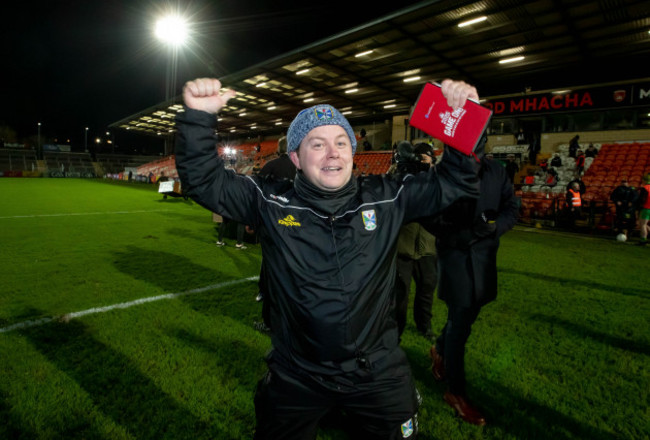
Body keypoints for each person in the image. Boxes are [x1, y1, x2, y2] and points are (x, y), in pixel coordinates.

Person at [175, 77, 482, 439]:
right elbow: (204, 182)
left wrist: (464, 117)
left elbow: (453, 182)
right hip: (297, 374)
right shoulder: (270, 202)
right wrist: (198, 119)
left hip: (377, 372)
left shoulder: (387, 197)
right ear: (296, 158)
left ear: (352, 151)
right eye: (317, 144)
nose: (332, 153)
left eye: (341, 142)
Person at [424, 152, 518, 426]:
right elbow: (427, 216)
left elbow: (511, 206)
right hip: (456, 258)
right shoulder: (441, 172)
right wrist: (462, 235)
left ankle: (439, 349)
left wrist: (495, 228)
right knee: (459, 324)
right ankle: (455, 393)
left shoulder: (496, 170)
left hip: (485, 258)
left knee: (468, 314)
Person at [392, 142, 438, 340]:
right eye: (418, 158)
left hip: (427, 247)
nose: (421, 162)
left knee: (427, 289)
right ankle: (396, 330)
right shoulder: (401, 176)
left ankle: (424, 325)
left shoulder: (435, 179)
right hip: (403, 247)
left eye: (425, 158)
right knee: (400, 295)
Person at [637, 174, 650, 246]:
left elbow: (642, 200)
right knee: (646, 224)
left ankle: (643, 240)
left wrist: (638, 208)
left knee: (643, 225)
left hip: (646, 209)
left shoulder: (645, 188)